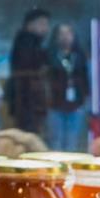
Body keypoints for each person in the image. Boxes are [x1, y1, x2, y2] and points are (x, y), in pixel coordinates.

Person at [45, 22, 91, 152]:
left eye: (69, 33)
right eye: (62, 33)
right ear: (56, 36)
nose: (65, 37)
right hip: (55, 103)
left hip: (76, 104)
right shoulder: (49, 55)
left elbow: (85, 80)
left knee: (72, 141)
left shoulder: (80, 56)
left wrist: (85, 99)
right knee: (55, 140)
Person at [8, 8, 52, 136]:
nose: (45, 28)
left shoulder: (38, 43)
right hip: (26, 98)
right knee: (27, 133)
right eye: (42, 24)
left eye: (46, 24)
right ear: (30, 24)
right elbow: (29, 67)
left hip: (33, 98)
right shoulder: (25, 42)